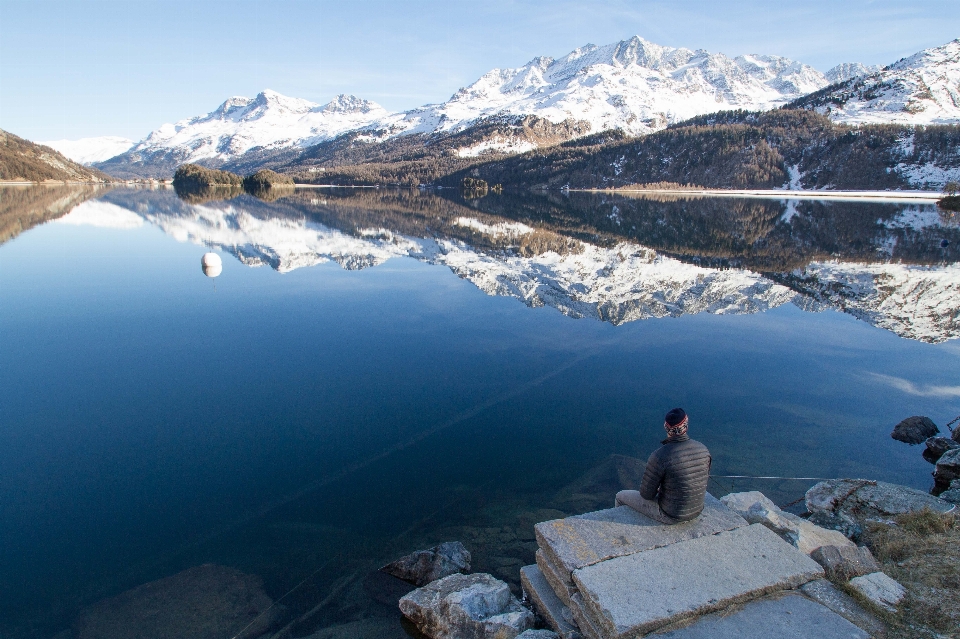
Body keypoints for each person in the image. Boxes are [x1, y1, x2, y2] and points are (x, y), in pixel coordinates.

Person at [615, 408, 712, 525]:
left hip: (671, 515)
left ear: (666, 428)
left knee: (620, 496)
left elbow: (646, 495)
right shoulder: (703, 449)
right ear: (686, 425)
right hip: (696, 510)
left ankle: (622, 529)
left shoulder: (660, 455)